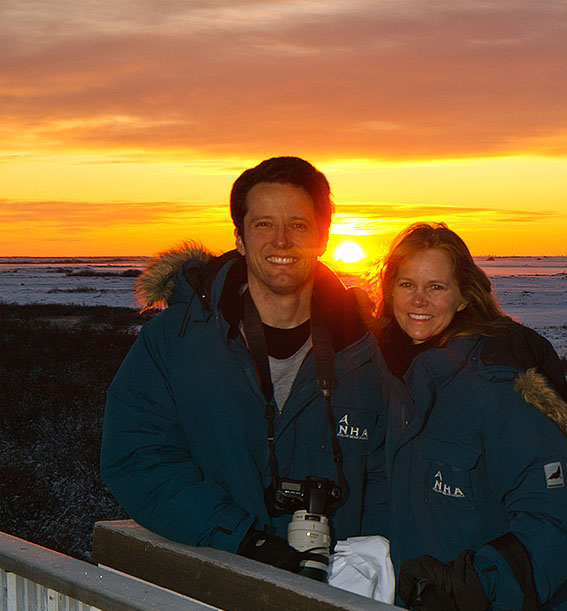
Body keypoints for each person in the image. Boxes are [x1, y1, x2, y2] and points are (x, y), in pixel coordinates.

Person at [101, 156, 386, 580]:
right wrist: (239, 538)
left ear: (323, 237)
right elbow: (137, 458)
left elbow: (393, 477)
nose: (282, 241)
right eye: (263, 225)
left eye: (298, 225)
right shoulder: (176, 340)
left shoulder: (364, 351)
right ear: (239, 237)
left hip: (336, 595)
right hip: (215, 585)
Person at [374, 222, 567, 611]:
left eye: (436, 287)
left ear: (464, 296)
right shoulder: (395, 378)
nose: (419, 300)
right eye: (406, 285)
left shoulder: (498, 385)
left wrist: (474, 582)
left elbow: (557, 518)